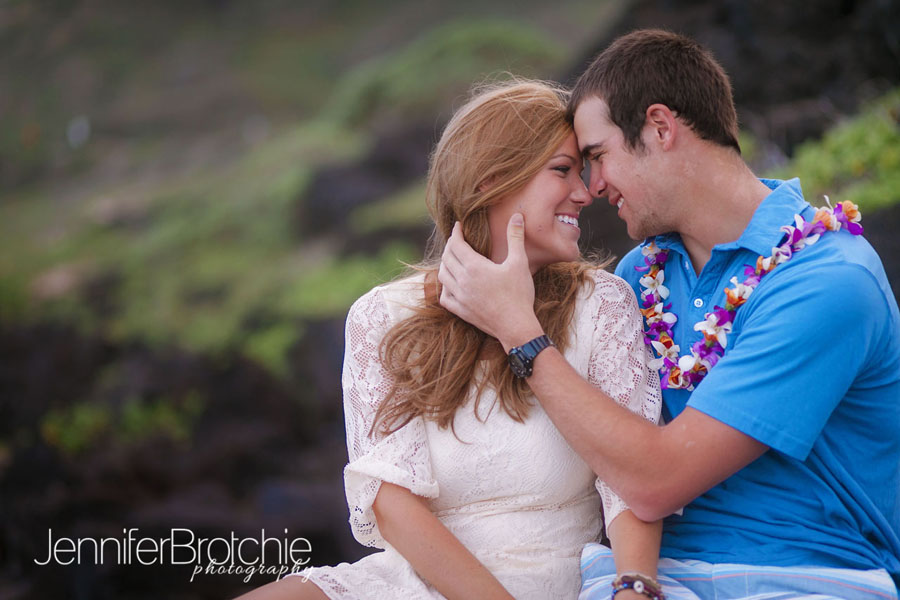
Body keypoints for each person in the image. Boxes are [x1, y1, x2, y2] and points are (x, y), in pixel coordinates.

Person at [438, 30, 900, 599]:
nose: (593, 186)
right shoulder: (638, 278)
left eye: (597, 157)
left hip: (807, 575)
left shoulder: (827, 280)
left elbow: (656, 483)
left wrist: (521, 334)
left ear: (660, 127)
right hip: (647, 578)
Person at [235, 79, 664, 600]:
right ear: (490, 182)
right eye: (562, 170)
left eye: (584, 170)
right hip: (419, 583)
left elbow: (628, 480)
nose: (586, 190)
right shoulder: (383, 316)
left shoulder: (603, 305)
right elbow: (391, 502)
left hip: (552, 581)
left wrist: (634, 587)